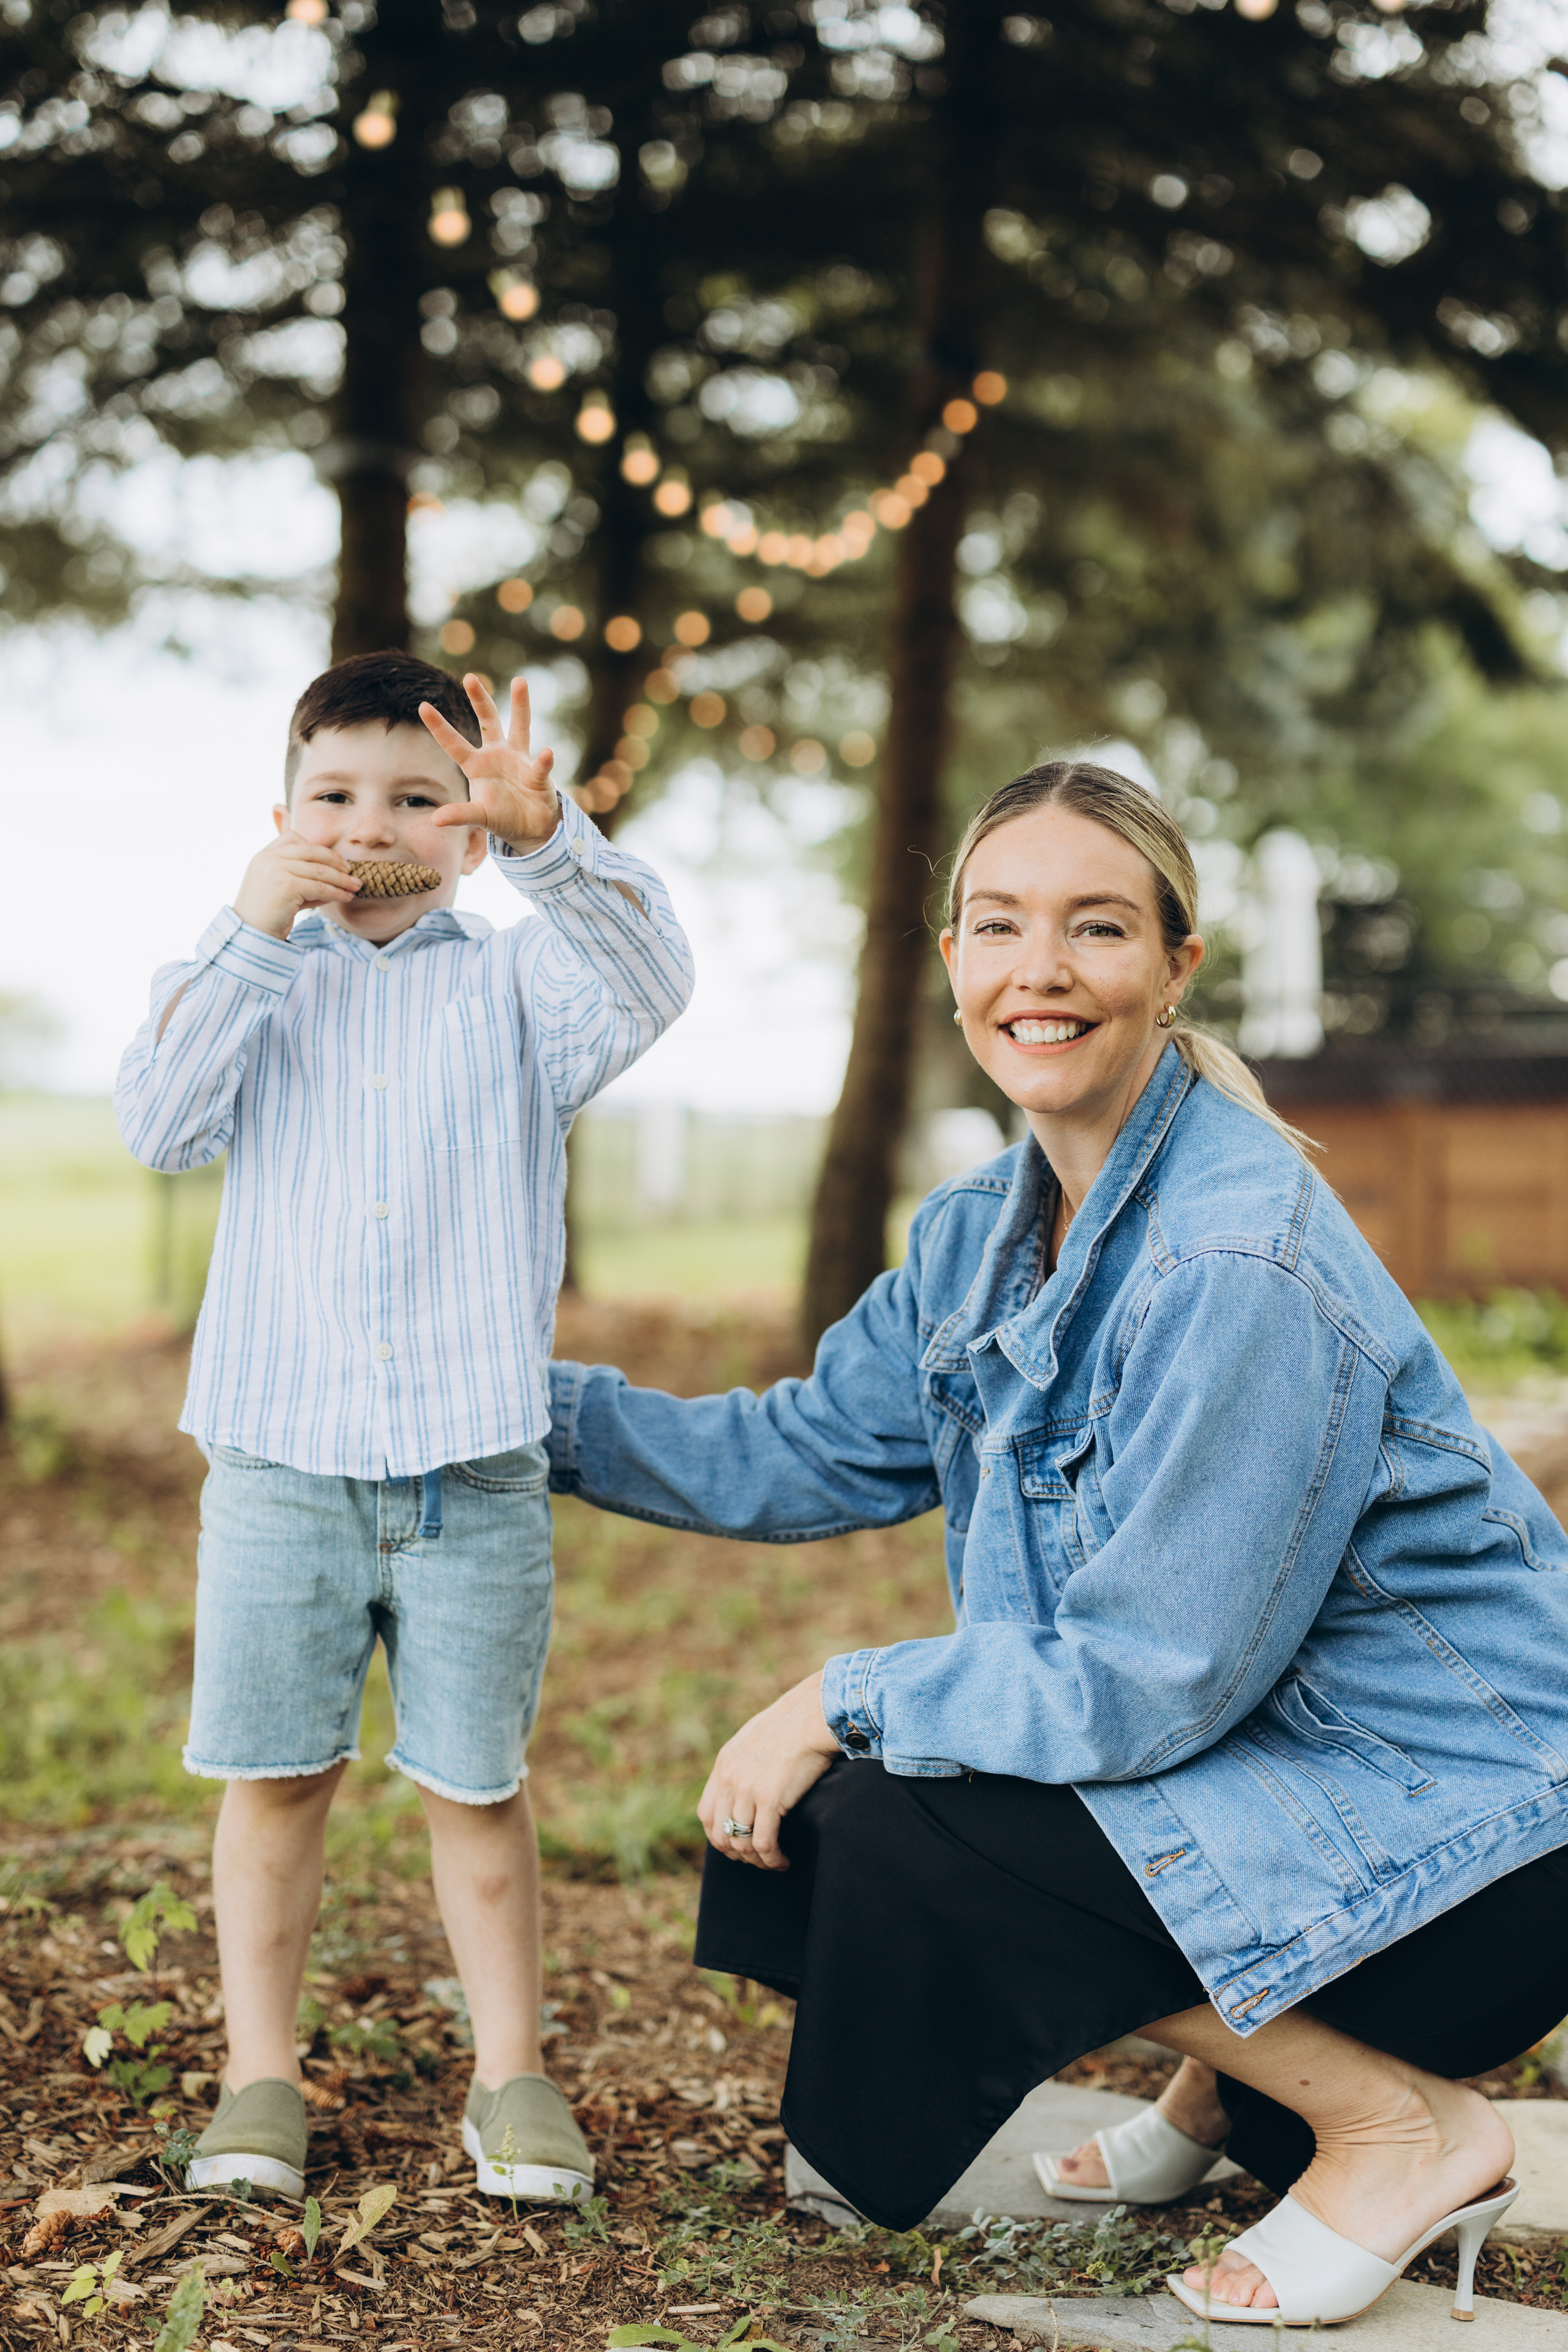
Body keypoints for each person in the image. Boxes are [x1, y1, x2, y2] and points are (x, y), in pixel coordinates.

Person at [546, 762, 1568, 2326]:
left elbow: (1147, 1683)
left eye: (1095, 928)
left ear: (1174, 968)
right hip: (1301, 1795)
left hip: (1476, 1847)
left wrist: (840, 1691)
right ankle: (1224, 2096)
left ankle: (1391, 2122)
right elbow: (800, 1451)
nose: (1040, 971)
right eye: (998, 925)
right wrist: (514, 1411)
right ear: (948, 958)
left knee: (893, 1818)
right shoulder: (977, 1232)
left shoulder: (1237, 1260)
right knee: (899, 1793)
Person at [116, 650, 693, 2206]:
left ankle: (511, 2078)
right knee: (276, 1779)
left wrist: (549, 840)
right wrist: (251, 924)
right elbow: (160, 1127)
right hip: (280, 1466)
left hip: (470, 1468)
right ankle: (259, 2077)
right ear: (281, 814)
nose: (370, 824)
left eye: (418, 798)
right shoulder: (244, 977)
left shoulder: (519, 982)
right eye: (335, 795)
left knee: (474, 1785)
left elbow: (652, 985)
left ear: (462, 828)